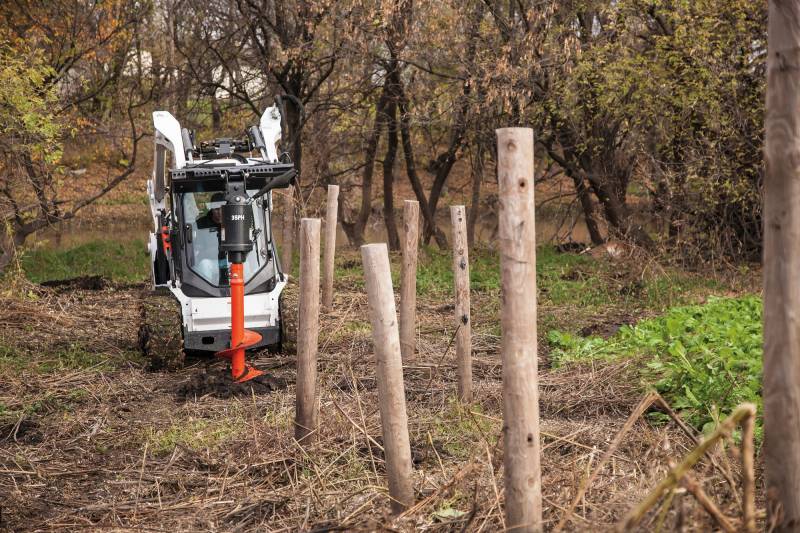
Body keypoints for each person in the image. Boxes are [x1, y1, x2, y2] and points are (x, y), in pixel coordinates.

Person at [195, 192, 229, 285]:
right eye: (217, 209)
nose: (220, 212)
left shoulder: (234, 221)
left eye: (223, 209)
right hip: (211, 261)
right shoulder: (200, 225)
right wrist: (210, 251)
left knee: (246, 265)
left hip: (231, 260)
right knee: (204, 265)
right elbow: (197, 250)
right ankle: (206, 291)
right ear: (212, 209)